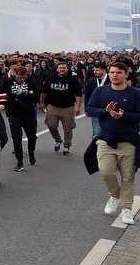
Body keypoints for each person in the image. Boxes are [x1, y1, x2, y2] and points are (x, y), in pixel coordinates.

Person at [85, 62, 140, 225]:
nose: (115, 75)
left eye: (118, 73)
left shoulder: (135, 93)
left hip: (129, 140)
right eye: (112, 72)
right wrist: (106, 111)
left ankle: (127, 209)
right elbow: (90, 109)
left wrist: (123, 116)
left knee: (128, 177)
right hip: (105, 139)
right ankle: (115, 195)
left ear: (126, 74)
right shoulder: (100, 91)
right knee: (106, 172)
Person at [41, 61, 82, 155]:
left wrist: (78, 107)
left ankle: (67, 146)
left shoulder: (73, 80)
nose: (62, 70)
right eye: (60, 68)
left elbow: (79, 94)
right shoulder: (50, 78)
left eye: (64, 68)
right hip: (53, 106)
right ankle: (58, 139)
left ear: (67, 69)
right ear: (57, 69)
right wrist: (42, 103)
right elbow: (44, 92)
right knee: (51, 125)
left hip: (68, 107)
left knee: (68, 128)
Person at [3, 65, 40, 171]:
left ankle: (31, 152)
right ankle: (19, 160)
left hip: (28, 113)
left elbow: (36, 94)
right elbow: (4, 96)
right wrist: (14, 96)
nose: (22, 79)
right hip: (14, 113)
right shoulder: (8, 83)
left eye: (24, 77)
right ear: (16, 75)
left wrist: (32, 103)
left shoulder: (30, 82)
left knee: (32, 136)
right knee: (16, 136)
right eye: (20, 77)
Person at [84, 61, 110, 139]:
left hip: (108, 109)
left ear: (104, 70)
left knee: (108, 130)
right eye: (94, 70)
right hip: (95, 109)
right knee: (97, 131)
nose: (95, 72)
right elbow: (87, 96)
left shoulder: (110, 80)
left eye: (97, 70)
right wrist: (87, 109)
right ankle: (95, 149)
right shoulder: (92, 81)